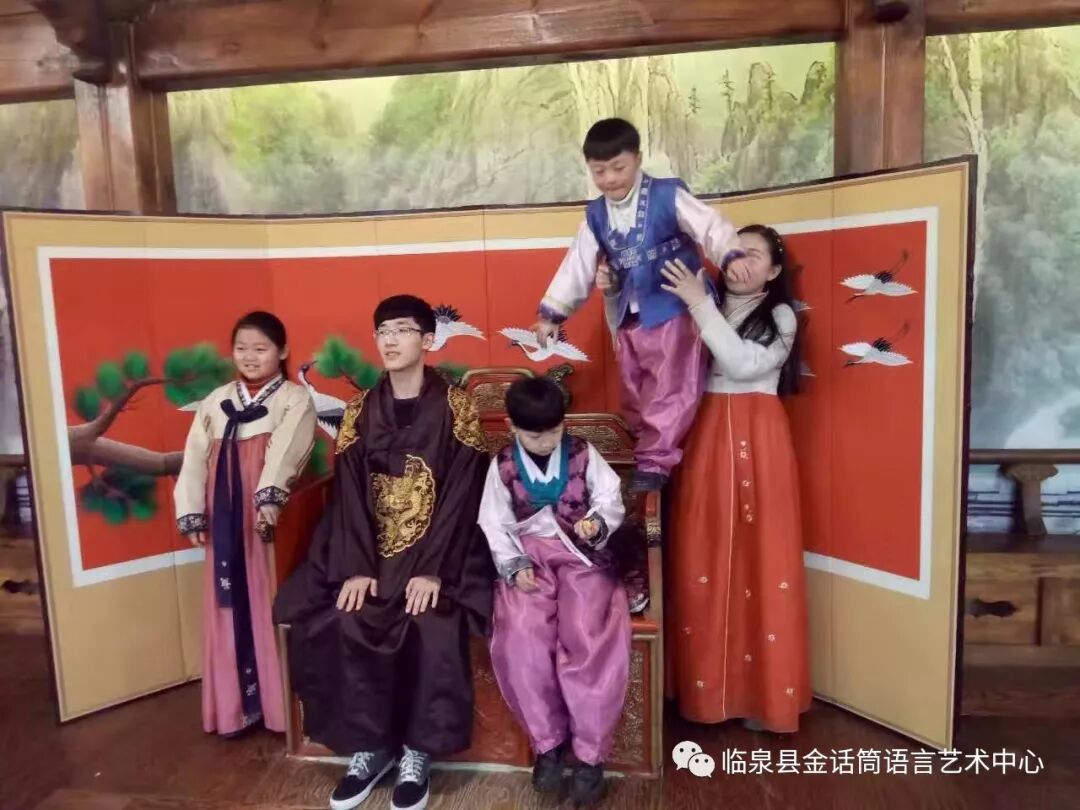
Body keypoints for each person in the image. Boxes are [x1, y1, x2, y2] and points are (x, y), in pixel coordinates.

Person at [273, 295, 494, 810]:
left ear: (428, 339)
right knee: (346, 617)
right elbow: (348, 495)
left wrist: (435, 571)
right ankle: (371, 748)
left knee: (431, 622)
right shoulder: (359, 411)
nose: (390, 341)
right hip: (370, 554)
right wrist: (354, 567)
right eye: (383, 332)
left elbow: (463, 494)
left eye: (402, 330)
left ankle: (417, 751)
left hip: (441, 554)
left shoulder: (457, 407)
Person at [531, 117, 750, 492]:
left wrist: (730, 255)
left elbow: (709, 225)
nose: (609, 179)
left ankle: (655, 463)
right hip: (630, 315)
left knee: (669, 385)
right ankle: (644, 453)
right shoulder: (596, 215)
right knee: (633, 390)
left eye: (618, 167)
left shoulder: (667, 195)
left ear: (638, 159)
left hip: (673, 307)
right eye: (599, 171)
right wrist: (552, 314)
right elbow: (577, 264)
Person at [660, 225, 811, 733]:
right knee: (701, 548)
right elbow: (644, 343)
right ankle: (704, 693)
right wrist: (616, 294)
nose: (741, 262)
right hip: (703, 428)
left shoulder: (780, 315)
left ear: (774, 270)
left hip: (758, 435)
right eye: (734, 251)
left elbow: (744, 365)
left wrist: (698, 303)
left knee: (762, 555)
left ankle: (762, 696)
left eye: (755, 255)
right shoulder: (701, 297)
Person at [478, 377, 629, 806]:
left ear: (564, 423)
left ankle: (590, 754)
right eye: (534, 434)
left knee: (587, 633)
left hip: (582, 557)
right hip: (530, 561)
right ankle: (548, 743)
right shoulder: (503, 464)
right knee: (520, 634)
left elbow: (610, 498)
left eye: (554, 431)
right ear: (512, 426)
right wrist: (513, 564)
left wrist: (598, 522)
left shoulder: (582, 452)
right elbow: (494, 520)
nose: (545, 442)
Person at [174, 310, 317, 737]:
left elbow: (287, 449)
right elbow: (194, 459)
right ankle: (235, 709)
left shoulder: (293, 398)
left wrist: (269, 495)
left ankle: (278, 709)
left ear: (283, 351)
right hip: (224, 515)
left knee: (266, 593)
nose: (250, 357)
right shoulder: (216, 401)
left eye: (260, 349)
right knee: (227, 598)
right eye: (241, 349)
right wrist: (191, 510)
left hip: (268, 516)